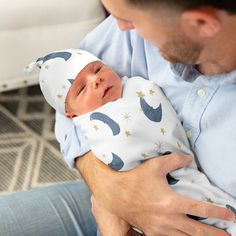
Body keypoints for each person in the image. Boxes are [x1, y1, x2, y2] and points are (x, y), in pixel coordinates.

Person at [0, 1, 236, 235]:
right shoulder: (143, 20)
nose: (119, 26)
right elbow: (66, 102)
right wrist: (110, 188)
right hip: (106, 205)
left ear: (201, 24)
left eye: (131, 19)